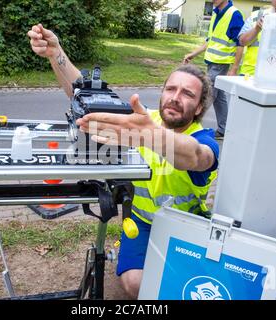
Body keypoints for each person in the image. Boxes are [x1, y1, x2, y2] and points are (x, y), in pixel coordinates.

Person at [27, 24, 220, 299]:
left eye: (187, 94)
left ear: (200, 107)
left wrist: (149, 137)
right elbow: (85, 95)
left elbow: (196, 156)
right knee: (134, 284)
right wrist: (55, 53)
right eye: (170, 89)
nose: (175, 98)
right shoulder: (142, 121)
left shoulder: (203, 139)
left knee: (187, 286)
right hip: (141, 222)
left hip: (186, 227)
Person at [183, 0, 244, 140]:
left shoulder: (234, 14)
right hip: (212, 62)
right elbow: (210, 41)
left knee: (207, 95)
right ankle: (224, 130)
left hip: (221, 64)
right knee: (219, 97)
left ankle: (189, 127)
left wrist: (234, 68)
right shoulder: (216, 13)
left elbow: (240, 43)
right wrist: (193, 53)